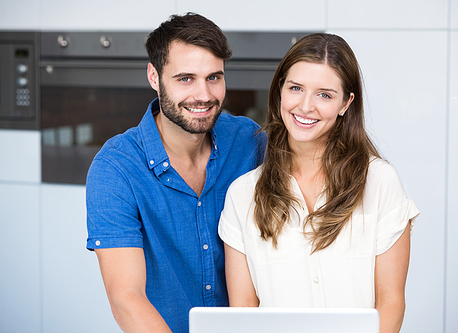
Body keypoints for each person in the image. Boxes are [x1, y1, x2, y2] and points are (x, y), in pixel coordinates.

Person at [218, 33, 419, 333]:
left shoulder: (380, 182)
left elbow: (390, 302)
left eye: (324, 94)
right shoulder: (242, 196)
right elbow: (244, 310)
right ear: (280, 92)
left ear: (345, 103)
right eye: (296, 88)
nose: (305, 106)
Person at [86, 13, 266, 333]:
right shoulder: (115, 168)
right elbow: (126, 297)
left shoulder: (249, 142)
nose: (204, 95)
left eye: (214, 77)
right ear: (154, 77)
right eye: (186, 79)